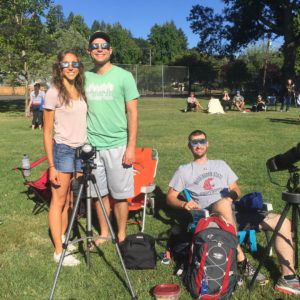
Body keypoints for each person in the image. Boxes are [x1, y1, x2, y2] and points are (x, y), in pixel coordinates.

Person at [167, 129, 300, 296]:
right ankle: (242, 260)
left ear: (208, 144)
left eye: (202, 141)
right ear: (189, 146)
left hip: (234, 210)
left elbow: (236, 189)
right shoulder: (184, 170)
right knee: (222, 203)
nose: (198, 145)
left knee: (283, 222)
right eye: (194, 142)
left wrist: (231, 197)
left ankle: (288, 278)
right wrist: (183, 203)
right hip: (210, 217)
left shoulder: (221, 165)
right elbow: (170, 197)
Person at [85, 31, 139, 245]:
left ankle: (122, 233)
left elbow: (133, 113)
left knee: (120, 194)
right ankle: (105, 233)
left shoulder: (124, 76)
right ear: (89, 52)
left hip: (118, 146)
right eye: (95, 45)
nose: (99, 48)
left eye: (103, 45)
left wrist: (131, 147)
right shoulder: (85, 78)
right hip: (92, 147)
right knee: (99, 193)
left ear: (110, 50)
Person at [43, 50, 87, 266]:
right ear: (58, 67)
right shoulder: (53, 92)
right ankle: (59, 252)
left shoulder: (79, 90)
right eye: (66, 63)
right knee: (58, 200)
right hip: (63, 151)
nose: (70, 67)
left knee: (70, 199)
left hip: (81, 151)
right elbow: (47, 132)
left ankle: (63, 237)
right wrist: (51, 165)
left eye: (74, 63)